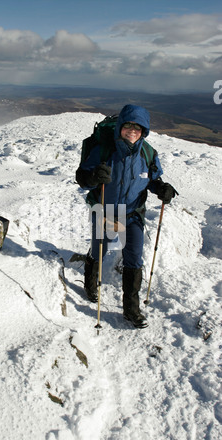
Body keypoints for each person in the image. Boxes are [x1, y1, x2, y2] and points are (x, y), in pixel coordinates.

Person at [76, 104, 177, 328]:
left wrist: (162, 188)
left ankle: (131, 308)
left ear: (144, 131)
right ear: (120, 126)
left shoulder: (148, 153)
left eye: (138, 127)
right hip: (105, 210)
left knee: (134, 258)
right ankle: (90, 283)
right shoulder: (104, 149)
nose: (132, 130)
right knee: (99, 248)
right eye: (128, 125)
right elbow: (82, 178)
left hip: (133, 213)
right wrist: (93, 177)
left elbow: (152, 179)